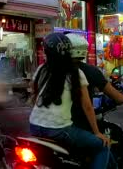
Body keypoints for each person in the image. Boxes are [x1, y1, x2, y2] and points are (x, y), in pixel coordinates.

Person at [29, 32, 110, 169]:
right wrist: (97, 133)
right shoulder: (75, 73)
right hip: (59, 130)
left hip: (34, 126)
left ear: (47, 53)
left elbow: (34, 96)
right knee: (102, 146)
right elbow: (88, 106)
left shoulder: (41, 69)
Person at [65, 33, 123, 131]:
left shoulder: (48, 70)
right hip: (77, 125)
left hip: (46, 125)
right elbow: (87, 106)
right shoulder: (88, 71)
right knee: (101, 144)